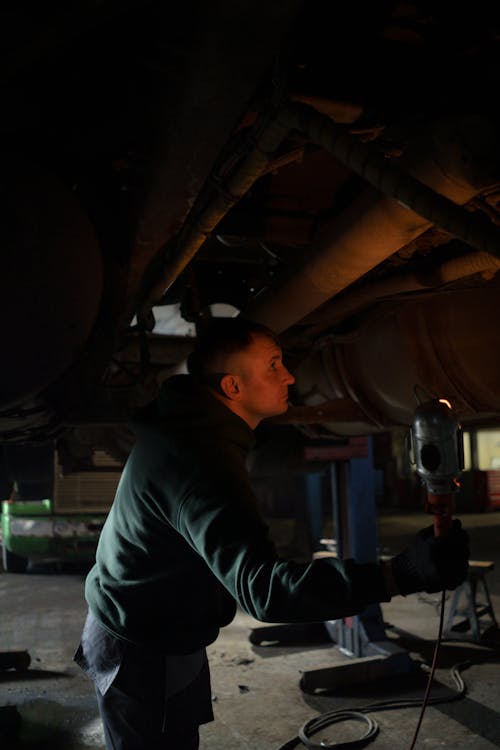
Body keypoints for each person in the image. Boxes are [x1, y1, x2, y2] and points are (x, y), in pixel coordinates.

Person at [74, 317, 469, 750]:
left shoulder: (188, 429)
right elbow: (264, 592)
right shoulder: (200, 463)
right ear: (233, 388)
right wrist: (401, 574)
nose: (290, 376)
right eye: (274, 366)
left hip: (162, 626)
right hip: (140, 646)